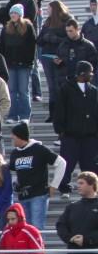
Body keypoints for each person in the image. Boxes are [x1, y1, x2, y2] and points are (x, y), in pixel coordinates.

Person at [53, 61, 98, 197]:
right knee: (67, 163)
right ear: (82, 74)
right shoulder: (66, 89)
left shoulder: (94, 90)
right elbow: (59, 110)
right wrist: (60, 130)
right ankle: (64, 188)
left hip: (90, 136)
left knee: (90, 164)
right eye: (89, 73)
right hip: (70, 135)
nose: (92, 75)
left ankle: (92, 189)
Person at [8, 121, 63, 230]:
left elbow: (61, 163)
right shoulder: (15, 153)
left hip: (38, 194)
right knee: (25, 229)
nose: (11, 138)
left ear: (20, 136)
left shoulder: (39, 149)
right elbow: (12, 170)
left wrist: (54, 185)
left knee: (37, 228)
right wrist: (15, 183)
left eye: (14, 136)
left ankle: (39, 247)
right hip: (23, 196)